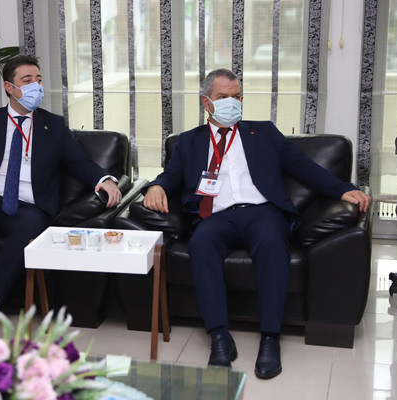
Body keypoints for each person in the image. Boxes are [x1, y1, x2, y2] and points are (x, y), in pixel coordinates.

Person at [142, 68, 370, 379]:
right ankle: (220, 337)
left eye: (237, 97)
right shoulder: (188, 142)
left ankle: (270, 338)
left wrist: (342, 189)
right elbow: (171, 176)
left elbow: (304, 167)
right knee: (201, 244)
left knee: (272, 243)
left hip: (262, 212)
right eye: (223, 97)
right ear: (206, 102)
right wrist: (156, 187)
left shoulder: (263, 133)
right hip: (215, 216)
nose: (232, 103)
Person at [0, 55, 122, 322]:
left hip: (31, 206)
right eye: (27, 80)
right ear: (10, 88)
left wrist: (105, 180)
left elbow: (79, 162)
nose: (36, 86)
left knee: (28, 228)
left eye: (39, 80)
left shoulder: (54, 126)